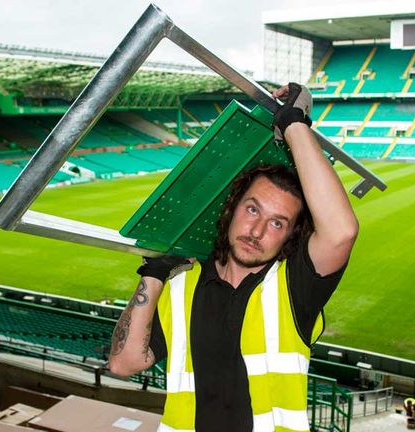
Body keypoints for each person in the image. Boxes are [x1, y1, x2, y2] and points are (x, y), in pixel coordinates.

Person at [108, 83, 359, 432]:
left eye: (277, 223)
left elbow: (341, 231)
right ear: (232, 207)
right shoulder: (181, 287)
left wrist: (293, 123)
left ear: (290, 236)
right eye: (252, 209)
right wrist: (152, 274)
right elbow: (123, 364)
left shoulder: (292, 288)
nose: (256, 231)